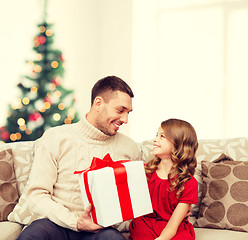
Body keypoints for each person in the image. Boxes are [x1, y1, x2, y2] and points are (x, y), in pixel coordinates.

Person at [17, 76, 142, 240]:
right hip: (55, 224)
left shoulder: (130, 148)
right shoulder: (56, 138)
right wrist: (74, 221)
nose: (125, 119)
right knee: (32, 237)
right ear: (98, 103)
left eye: (128, 113)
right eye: (120, 110)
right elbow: (36, 195)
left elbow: (134, 203)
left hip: (101, 229)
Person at [129, 118, 198, 240]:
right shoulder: (144, 172)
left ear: (178, 144)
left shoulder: (190, 183)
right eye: (156, 135)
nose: (155, 139)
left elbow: (172, 226)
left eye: (162, 136)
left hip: (174, 227)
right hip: (146, 224)